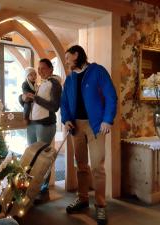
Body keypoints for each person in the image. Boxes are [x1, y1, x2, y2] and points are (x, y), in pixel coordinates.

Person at [60, 45, 117, 225]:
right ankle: (83, 199)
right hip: (76, 126)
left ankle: (100, 206)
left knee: (97, 167)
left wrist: (107, 119)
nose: (66, 60)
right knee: (81, 166)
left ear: (77, 55)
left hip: (96, 126)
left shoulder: (98, 71)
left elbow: (111, 96)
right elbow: (64, 102)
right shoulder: (69, 80)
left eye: (68, 57)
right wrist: (66, 119)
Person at [20, 58, 62, 200]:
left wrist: (36, 98)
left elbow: (55, 106)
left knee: (42, 158)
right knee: (31, 156)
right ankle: (31, 186)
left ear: (51, 69)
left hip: (45, 124)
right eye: (39, 69)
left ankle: (42, 187)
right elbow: (33, 105)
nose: (40, 71)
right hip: (32, 124)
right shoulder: (40, 84)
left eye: (43, 68)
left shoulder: (55, 83)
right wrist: (24, 99)